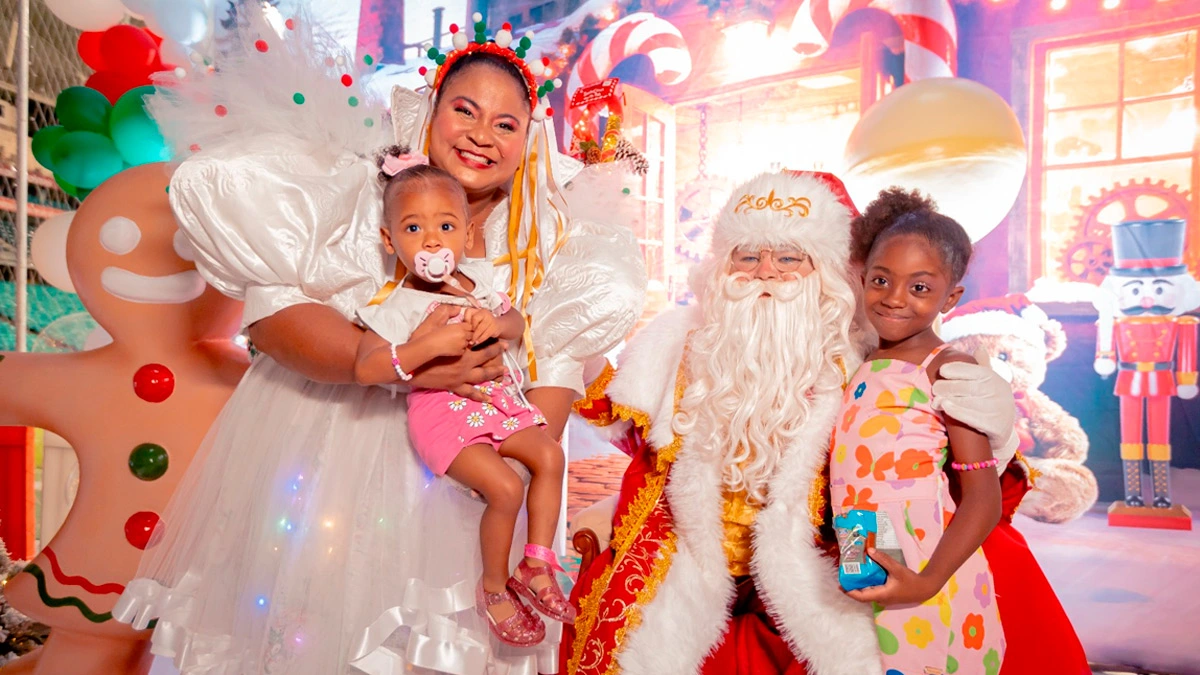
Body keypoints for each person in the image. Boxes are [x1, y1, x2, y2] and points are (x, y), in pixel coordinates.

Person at [113, 10, 643, 675]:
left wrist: (496, 447)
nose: (481, 136)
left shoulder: (549, 249)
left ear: (528, 142)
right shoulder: (357, 197)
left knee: (443, 648)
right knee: (320, 639)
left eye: (506, 124)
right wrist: (392, 365)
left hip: (465, 499)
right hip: (332, 469)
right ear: (429, 109)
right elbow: (277, 318)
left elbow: (547, 399)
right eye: (465, 110)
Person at [563, 170, 1021, 675]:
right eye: (748, 255)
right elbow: (630, 426)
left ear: (822, 271)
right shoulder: (681, 341)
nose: (766, 273)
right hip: (683, 548)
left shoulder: (860, 351)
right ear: (723, 265)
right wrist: (576, 349)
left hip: (817, 549)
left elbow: (941, 462)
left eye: (787, 258)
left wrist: (990, 409)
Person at [353, 151, 573, 646]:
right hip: (442, 416)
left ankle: (536, 561)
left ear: (465, 233)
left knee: (549, 455)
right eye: (413, 229)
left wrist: (496, 324)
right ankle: (493, 588)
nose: (432, 240)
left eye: (446, 225)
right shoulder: (396, 303)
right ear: (390, 240)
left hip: (497, 403)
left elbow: (517, 322)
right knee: (505, 489)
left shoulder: (479, 287)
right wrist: (426, 345)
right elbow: (366, 366)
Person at [834, 188, 1004, 674]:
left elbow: (983, 498)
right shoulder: (864, 363)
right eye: (881, 280)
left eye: (920, 288)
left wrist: (928, 581)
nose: (893, 298)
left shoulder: (946, 369)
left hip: (927, 559)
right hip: (862, 542)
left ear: (951, 296)